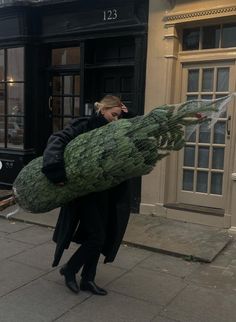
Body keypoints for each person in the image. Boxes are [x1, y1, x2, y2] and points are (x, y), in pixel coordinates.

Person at [41, 95, 132, 296]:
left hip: (107, 193)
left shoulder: (117, 128)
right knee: (97, 237)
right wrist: (55, 170)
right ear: (103, 110)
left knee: (100, 235)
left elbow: (135, 131)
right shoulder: (84, 124)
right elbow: (57, 139)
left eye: (118, 115)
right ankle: (70, 270)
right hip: (84, 193)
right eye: (113, 114)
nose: (115, 119)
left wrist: (128, 114)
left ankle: (88, 279)